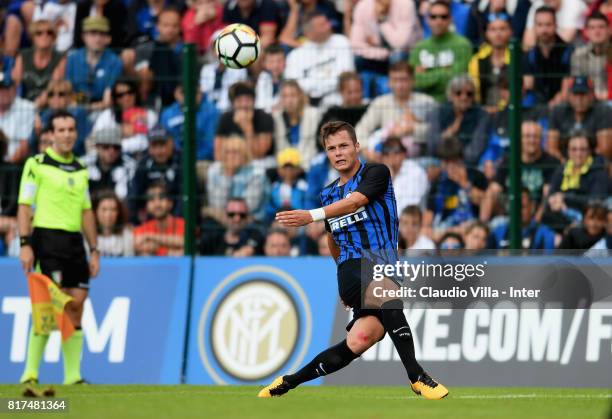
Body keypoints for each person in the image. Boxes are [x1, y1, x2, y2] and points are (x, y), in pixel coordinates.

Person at [259, 120, 448, 400]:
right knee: (387, 296)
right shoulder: (328, 193)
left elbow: (356, 202)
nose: (338, 153)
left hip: (383, 265)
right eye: (331, 148)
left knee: (361, 339)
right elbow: (332, 239)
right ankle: (416, 377)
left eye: (343, 145)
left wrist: (311, 215)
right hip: (353, 268)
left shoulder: (376, 172)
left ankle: (288, 382)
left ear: (357, 146)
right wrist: (344, 276)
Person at [18, 110, 99, 385]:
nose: (67, 135)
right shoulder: (36, 164)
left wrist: (95, 249)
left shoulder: (81, 170)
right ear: (51, 134)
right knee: (50, 306)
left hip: (75, 244)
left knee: (77, 305)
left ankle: (73, 377)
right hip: (46, 240)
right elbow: (24, 206)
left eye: (71, 130)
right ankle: (30, 373)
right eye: (61, 130)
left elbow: (87, 212)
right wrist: (25, 244)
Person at [480, 120, 560, 222]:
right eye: (527, 136)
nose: (531, 140)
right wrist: (482, 224)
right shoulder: (509, 160)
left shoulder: (551, 163)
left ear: (541, 140)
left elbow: (547, 197)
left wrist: (534, 224)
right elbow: (493, 191)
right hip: (508, 216)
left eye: (535, 136)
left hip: (538, 219)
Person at [355, 61, 438, 158]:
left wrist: (413, 129)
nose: (399, 85)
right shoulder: (380, 103)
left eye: (403, 80)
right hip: (386, 158)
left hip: (420, 158)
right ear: (389, 83)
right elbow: (360, 130)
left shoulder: (428, 102)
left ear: (412, 81)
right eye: (395, 80)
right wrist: (365, 150)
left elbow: (438, 133)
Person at [544, 131, 610, 232]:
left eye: (583, 149)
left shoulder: (599, 172)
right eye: (574, 149)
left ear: (590, 151)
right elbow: (551, 195)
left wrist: (565, 198)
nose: (578, 154)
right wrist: (556, 202)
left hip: (588, 223)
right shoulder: (561, 170)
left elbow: (595, 202)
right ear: (567, 151)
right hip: (561, 218)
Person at [284, 12, 355, 105]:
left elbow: (345, 77)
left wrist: (311, 84)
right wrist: (328, 81)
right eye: (322, 25)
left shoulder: (341, 42)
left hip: (337, 101)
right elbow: (293, 85)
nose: (329, 26)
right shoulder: (295, 55)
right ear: (309, 32)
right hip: (307, 104)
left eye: (327, 22)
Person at [410, 0, 472, 102]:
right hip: (423, 102)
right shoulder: (419, 47)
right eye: (433, 17)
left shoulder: (462, 44)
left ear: (450, 19)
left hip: (453, 102)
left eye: (443, 17)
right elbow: (414, 81)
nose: (438, 21)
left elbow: (457, 79)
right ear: (427, 20)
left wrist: (427, 74)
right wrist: (445, 71)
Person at [424, 138, 488, 237]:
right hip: (445, 228)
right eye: (446, 162)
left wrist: (463, 182)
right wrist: (427, 229)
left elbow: (483, 202)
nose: (450, 166)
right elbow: (429, 212)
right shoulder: (438, 183)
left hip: (471, 226)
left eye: (453, 161)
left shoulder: (476, 176)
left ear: (461, 160)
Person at [547, 75, 612, 161]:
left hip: (594, 165)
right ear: (569, 95)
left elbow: (605, 149)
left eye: (583, 94)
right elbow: (551, 148)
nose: (579, 99)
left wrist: (583, 164)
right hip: (563, 164)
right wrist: (565, 163)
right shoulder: (558, 111)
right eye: (575, 94)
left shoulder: (603, 110)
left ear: (592, 95)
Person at [206, 136, 270, 222]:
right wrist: (228, 174)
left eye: (235, 152)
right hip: (223, 218)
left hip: (251, 219)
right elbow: (217, 204)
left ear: (244, 154)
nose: (231, 156)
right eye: (228, 152)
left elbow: (250, 205)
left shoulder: (257, 172)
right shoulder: (215, 170)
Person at [65, 16, 122, 110]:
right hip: (76, 107)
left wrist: (88, 106)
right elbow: (68, 92)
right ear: (84, 36)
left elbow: (107, 100)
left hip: (102, 110)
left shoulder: (115, 62)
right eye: (93, 33)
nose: (98, 38)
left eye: (102, 34)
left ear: (108, 38)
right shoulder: (72, 59)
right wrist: (85, 105)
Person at [350, 0, 422, 75]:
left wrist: (382, 19)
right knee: (357, 59)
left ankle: (397, 85)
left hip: (406, 53)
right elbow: (355, 45)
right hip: (379, 54)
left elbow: (399, 44)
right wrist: (381, 53)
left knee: (397, 55)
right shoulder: (363, 6)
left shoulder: (405, 4)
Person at [128, 126, 182, 224]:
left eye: (162, 145)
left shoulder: (182, 162)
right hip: (149, 218)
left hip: (176, 218)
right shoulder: (143, 164)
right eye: (154, 146)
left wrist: (174, 221)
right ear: (149, 147)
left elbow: (184, 197)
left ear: (171, 143)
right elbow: (135, 196)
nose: (158, 151)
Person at [523, 6, 573, 107]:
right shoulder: (530, 55)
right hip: (537, 105)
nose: (544, 29)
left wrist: (555, 102)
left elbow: (566, 89)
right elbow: (528, 86)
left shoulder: (568, 52)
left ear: (556, 25)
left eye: (548, 24)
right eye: (540, 25)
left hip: (562, 105)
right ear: (534, 27)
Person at [92, 79, 157, 156]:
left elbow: (153, 141)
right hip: (113, 159)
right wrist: (119, 132)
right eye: (120, 95)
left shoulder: (149, 115)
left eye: (130, 92)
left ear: (136, 93)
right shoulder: (107, 115)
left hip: (142, 158)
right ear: (115, 98)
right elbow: (96, 138)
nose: (126, 98)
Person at [133, 8, 183, 107]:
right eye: (166, 25)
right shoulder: (144, 49)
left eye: (174, 26)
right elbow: (142, 85)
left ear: (180, 27)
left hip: (180, 99)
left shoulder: (187, 51)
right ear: (157, 26)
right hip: (153, 99)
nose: (170, 30)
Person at [11, 19, 66, 106]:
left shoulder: (59, 58)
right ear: (32, 37)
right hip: (23, 105)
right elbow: (15, 82)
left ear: (54, 37)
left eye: (49, 32)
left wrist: (37, 105)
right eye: (39, 33)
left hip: (49, 105)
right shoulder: (23, 55)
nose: (44, 36)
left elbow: (54, 86)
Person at [214, 82, 274, 161]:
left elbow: (259, 154)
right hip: (231, 164)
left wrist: (248, 128)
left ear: (254, 101)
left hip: (260, 164)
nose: (244, 105)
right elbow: (218, 155)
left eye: (248, 100)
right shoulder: (225, 118)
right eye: (239, 100)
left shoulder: (264, 117)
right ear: (233, 103)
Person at [160, 84, 220, 161]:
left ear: (200, 92)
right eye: (184, 92)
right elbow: (165, 142)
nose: (189, 96)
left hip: (202, 161)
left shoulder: (212, 112)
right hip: (174, 161)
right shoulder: (167, 114)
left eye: (194, 92)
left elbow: (210, 146)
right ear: (176, 93)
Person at [34, 80, 90, 157]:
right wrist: (37, 133)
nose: (55, 98)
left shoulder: (78, 113)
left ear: (69, 97)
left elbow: (77, 144)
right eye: (51, 94)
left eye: (61, 94)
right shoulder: (44, 115)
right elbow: (32, 144)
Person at [272, 80, 320, 169]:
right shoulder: (276, 118)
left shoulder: (314, 115)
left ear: (300, 96)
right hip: (285, 170)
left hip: (309, 167)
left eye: (293, 96)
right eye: (285, 96)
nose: (289, 101)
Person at [469, 14, 512, 110]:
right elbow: (474, 91)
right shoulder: (477, 60)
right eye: (493, 29)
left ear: (510, 32)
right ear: (486, 33)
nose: (498, 33)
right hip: (482, 112)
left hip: (508, 111)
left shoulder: (516, 59)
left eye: (502, 29)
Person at [490, 187, 557, 249]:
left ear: (531, 207)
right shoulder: (498, 232)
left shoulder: (545, 234)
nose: (518, 211)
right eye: (514, 207)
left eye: (522, 207)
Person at [82, 127, 136, 200]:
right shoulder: (84, 163)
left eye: (116, 147)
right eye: (106, 147)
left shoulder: (130, 166)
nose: (111, 151)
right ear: (97, 147)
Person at [133, 181, 185, 256]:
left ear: (170, 203)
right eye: (151, 199)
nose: (157, 203)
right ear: (147, 206)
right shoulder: (142, 229)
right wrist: (171, 249)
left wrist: (149, 236)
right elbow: (136, 246)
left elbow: (187, 244)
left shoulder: (184, 225)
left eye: (161, 198)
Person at [439, 74, 488, 152]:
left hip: (468, 161)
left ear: (474, 96)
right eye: (458, 93)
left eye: (469, 94)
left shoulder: (481, 115)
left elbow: (475, 149)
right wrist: (450, 132)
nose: (464, 97)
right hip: (442, 159)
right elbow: (432, 146)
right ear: (450, 95)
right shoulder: (439, 112)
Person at [379, 136, 429, 211]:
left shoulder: (415, 172)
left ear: (404, 153)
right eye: (386, 152)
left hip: (409, 219)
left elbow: (412, 206)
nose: (391, 155)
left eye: (396, 150)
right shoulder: (380, 175)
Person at [571, 12, 611, 101]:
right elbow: (578, 84)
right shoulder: (579, 55)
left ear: (609, 29)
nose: (597, 31)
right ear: (586, 32)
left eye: (601, 27)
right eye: (592, 28)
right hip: (588, 102)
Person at [265, 148, 308, 222]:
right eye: (285, 167)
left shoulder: (304, 187)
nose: (288, 171)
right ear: (279, 170)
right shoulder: (274, 187)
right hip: (278, 221)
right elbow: (269, 209)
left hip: (299, 222)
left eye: (292, 167)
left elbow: (307, 207)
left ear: (299, 169)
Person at [0, 71, 35, 163]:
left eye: (6, 88)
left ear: (14, 89)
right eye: (0, 88)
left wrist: (7, 164)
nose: (3, 92)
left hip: (15, 165)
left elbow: (24, 144)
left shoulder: (27, 107)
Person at [523, 0, 587, 48]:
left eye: (548, 25)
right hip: (545, 53)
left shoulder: (574, 4)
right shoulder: (537, 5)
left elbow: (564, 41)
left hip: (575, 54)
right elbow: (527, 44)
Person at [93, 190, 134, 256]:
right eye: (104, 209)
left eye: (113, 209)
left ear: (118, 212)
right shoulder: (88, 236)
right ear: (95, 212)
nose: (108, 214)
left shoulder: (127, 235)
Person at [255, 44, 286, 113]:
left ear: (285, 61)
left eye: (279, 61)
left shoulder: (289, 77)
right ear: (265, 63)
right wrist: (276, 106)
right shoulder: (263, 77)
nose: (275, 65)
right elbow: (261, 105)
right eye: (271, 61)